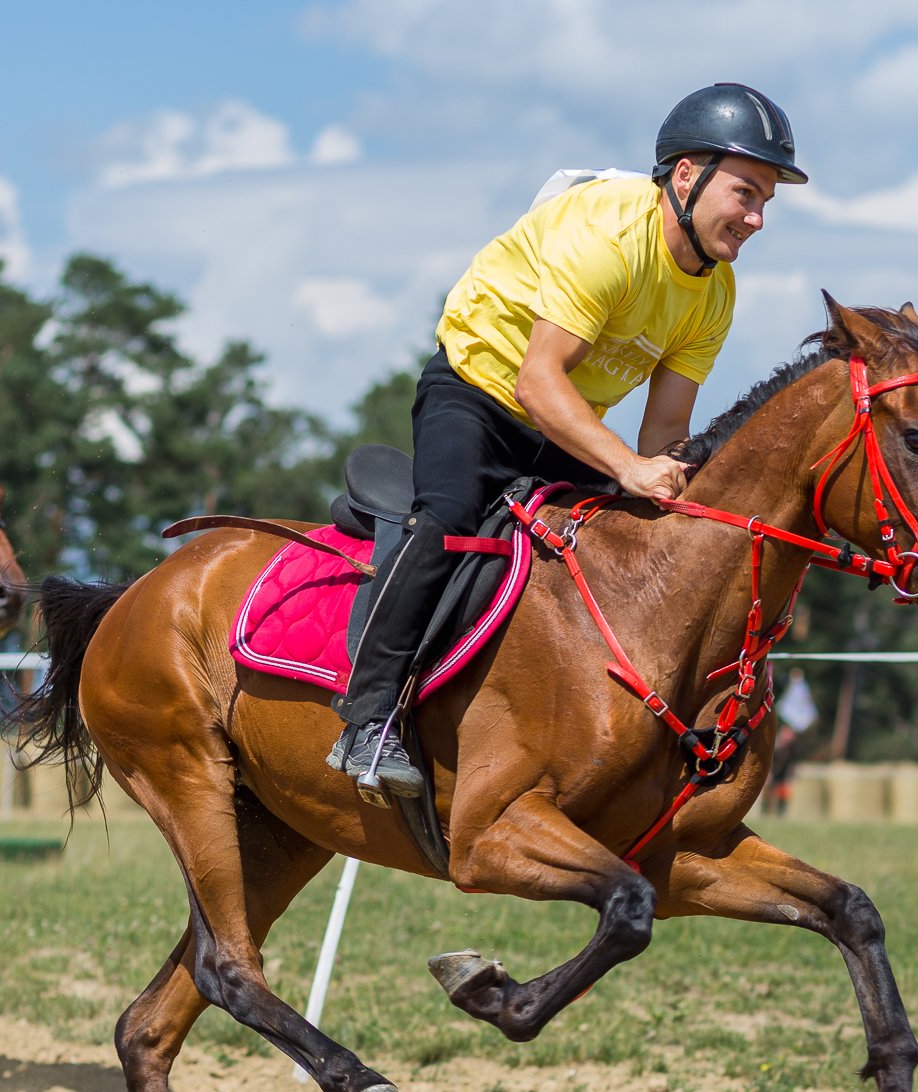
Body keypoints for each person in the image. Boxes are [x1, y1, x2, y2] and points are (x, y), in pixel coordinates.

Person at [327, 83, 808, 799]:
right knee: (451, 517)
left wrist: (692, 494)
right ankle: (367, 722)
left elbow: (664, 433)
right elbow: (538, 384)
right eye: (746, 193)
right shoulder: (610, 237)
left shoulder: (715, 293)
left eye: (766, 200)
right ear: (686, 176)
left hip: (566, 423)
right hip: (481, 390)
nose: (758, 218)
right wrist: (631, 469)